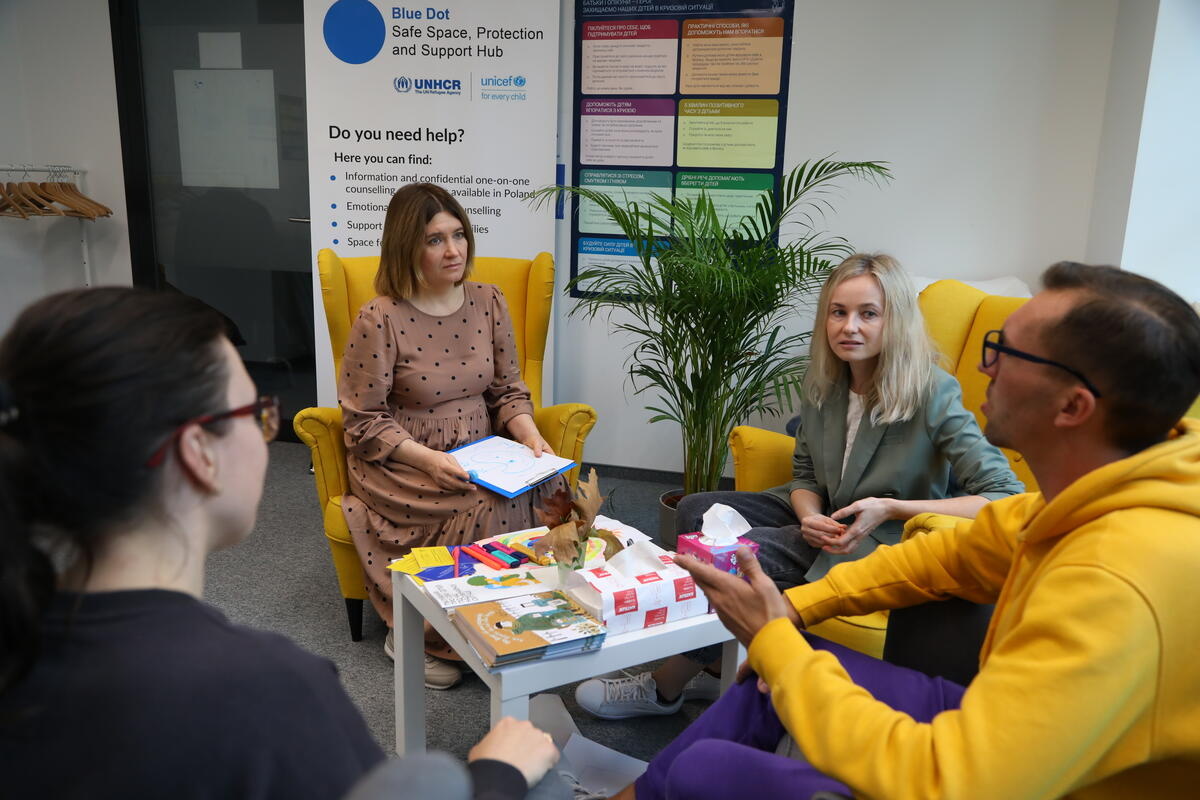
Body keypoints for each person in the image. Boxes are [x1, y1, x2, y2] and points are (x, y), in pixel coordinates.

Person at [628, 262, 1200, 799]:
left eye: (1005, 352)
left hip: (981, 780)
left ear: (1073, 407)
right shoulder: (1088, 496)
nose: (984, 368)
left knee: (707, 768)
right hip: (999, 736)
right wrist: (794, 613)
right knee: (767, 681)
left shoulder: (1116, 579)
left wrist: (778, 642)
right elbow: (944, 560)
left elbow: (949, 781)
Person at [0, 287, 565, 799]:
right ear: (200, 453)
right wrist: (497, 774)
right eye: (253, 411)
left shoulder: (25, 653)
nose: (265, 431)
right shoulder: (266, 691)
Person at [577, 253, 1023, 719]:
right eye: (838, 312)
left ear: (896, 321)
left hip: (882, 537)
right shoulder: (826, 383)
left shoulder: (933, 391)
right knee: (696, 510)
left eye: (868, 313)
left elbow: (1005, 495)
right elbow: (807, 477)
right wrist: (809, 515)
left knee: (743, 553)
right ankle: (714, 668)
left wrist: (892, 508)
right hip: (826, 515)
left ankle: (665, 687)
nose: (850, 326)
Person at [338, 183, 566, 688]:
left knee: (549, 485)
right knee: (486, 501)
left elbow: (507, 390)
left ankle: (521, 621)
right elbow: (364, 419)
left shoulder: (489, 301)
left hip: (480, 446)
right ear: (407, 248)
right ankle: (426, 632)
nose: (454, 250)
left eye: (458, 234)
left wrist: (531, 440)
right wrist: (428, 460)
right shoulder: (381, 317)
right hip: (403, 461)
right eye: (435, 239)